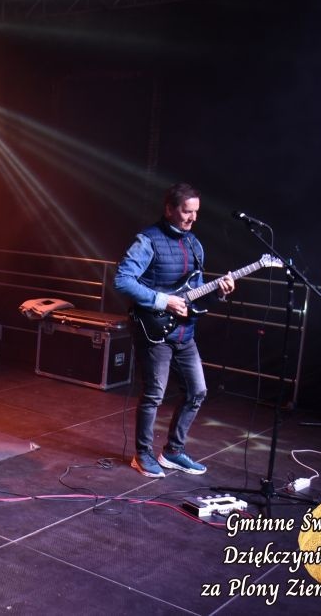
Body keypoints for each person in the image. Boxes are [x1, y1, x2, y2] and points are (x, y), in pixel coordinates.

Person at [113, 182, 235, 478]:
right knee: (154, 394)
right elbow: (122, 280)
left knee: (197, 391)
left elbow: (195, 294)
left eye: (196, 212)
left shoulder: (195, 244)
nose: (192, 218)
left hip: (185, 333)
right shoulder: (148, 240)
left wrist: (219, 293)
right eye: (186, 211)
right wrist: (163, 300)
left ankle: (173, 452)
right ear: (169, 209)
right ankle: (142, 455)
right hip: (155, 331)